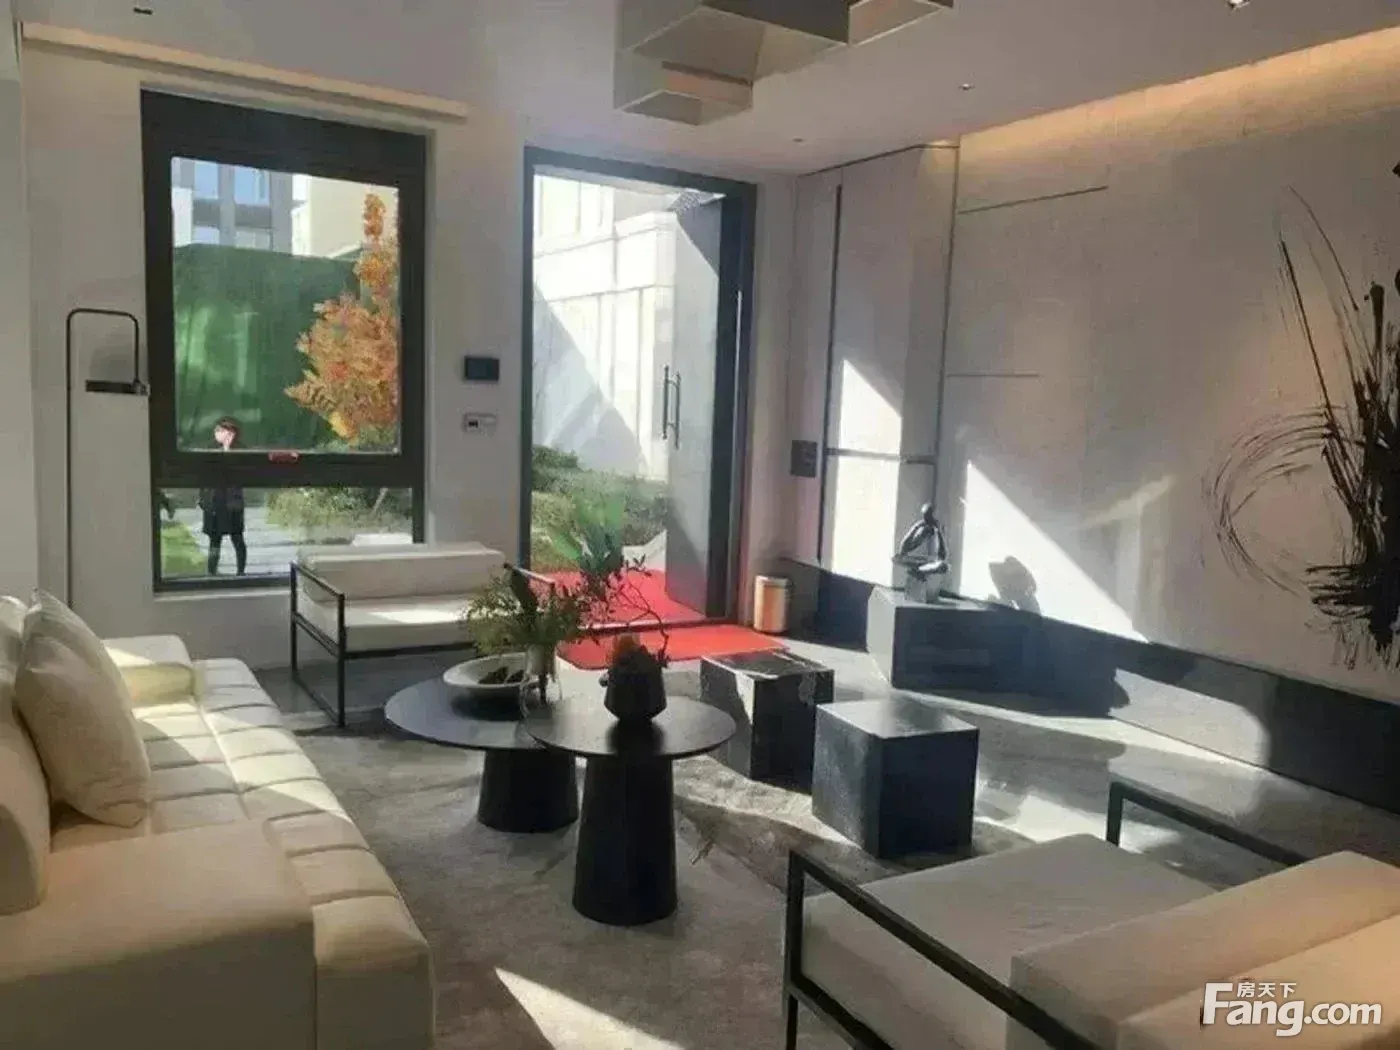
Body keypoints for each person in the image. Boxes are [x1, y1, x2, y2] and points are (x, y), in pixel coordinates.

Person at [199, 417, 247, 576]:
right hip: (215, 501)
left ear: (231, 433)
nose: (216, 433)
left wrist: (228, 450)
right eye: (216, 430)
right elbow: (204, 475)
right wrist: (203, 498)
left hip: (232, 502)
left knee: (237, 538)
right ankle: (212, 572)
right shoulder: (210, 449)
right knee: (215, 540)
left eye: (220, 430)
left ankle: (241, 572)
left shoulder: (241, 450)